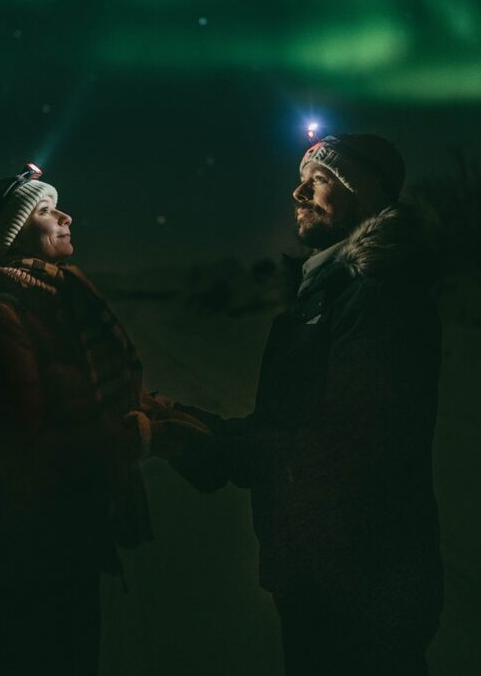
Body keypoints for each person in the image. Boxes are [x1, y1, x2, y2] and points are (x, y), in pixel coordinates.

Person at [167, 134, 443, 676]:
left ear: (360, 195)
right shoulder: (331, 288)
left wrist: (216, 448)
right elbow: (299, 420)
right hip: (324, 565)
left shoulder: (378, 295)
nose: (297, 193)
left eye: (316, 182)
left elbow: (343, 438)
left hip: (361, 573)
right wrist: (206, 430)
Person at [0, 162, 208, 676]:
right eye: (45, 210)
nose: (65, 216)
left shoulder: (53, 302)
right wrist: (139, 436)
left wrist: (162, 412)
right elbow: (24, 454)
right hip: (21, 566)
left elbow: (85, 394)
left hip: (62, 548)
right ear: (11, 237)